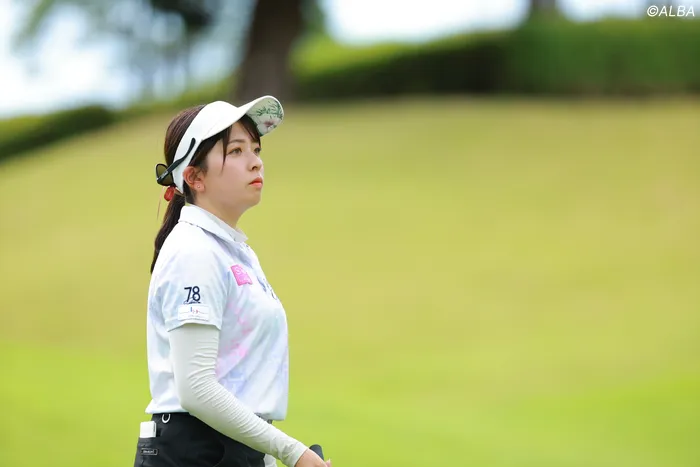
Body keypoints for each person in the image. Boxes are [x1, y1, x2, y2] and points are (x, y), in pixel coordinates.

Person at [132, 96, 331, 467]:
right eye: (236, 151)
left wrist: (266, 458)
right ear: (195, 177)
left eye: (255, 149)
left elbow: (245, 393)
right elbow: (196, 388)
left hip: (228, 448)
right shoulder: (193, 250)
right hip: (195, 450)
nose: (255, 161)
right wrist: (293, 453)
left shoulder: (233, 251)